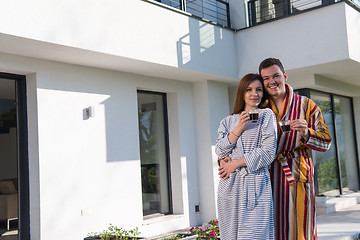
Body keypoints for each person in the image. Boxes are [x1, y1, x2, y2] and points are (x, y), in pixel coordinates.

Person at [259, 58, 332, 240]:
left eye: (276, 76)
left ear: (284, 76)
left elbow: (326, 142)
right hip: (266, 178)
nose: (271, 81)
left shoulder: (306, 105)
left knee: (301, 229)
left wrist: (307, 133)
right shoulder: (259, 108)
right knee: (269, 229)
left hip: (297, 173)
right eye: (266, 78)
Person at [216, 73, 277, 240]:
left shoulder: (266, 116)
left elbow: (268, 152)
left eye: (258, 89)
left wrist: (234, 163)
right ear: (242, 93)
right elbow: (220, 151)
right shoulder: (227, 121)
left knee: (256, 235)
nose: (254, 94)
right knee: (230, 235)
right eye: (249, 90)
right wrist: (239, 127)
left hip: (256, 186)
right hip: (230, 186)